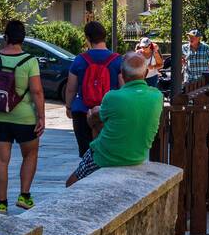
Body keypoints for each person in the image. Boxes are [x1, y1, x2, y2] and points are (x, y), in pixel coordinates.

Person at [66, 52, 164, 186]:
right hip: (137, 157)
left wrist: (92, 115)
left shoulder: (112, 97)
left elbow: (96, 121)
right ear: (146, 73)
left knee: (70, 184)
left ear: (122, 74)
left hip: (105, 157)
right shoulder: (157, 96)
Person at [0, 20, 45, 214]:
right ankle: (24, 196)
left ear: (5, 37)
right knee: (30, 154)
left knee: (0, 160)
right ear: (22, 39)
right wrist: (41, 116)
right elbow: (37, 91)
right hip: (24, 117)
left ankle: (1, 203)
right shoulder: (30, 61)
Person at [63, 20, 124, 157]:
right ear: (104, 37)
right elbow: (122, 88)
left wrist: (68, 107)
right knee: (107, 153)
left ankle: (87, 176)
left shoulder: (79, 60)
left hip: (82, 110)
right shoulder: (117, 60)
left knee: (86, 154)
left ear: (88, 38)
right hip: (108, 111)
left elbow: (71, 88)